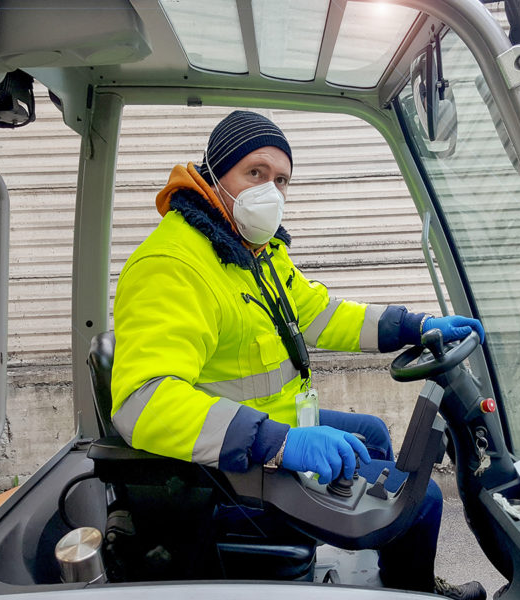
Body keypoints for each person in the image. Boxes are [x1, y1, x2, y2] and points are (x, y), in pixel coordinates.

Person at [111, 110, 487, 598]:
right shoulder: (173, 266)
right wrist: (281, 443)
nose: (270, 190)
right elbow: (143, 402)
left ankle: (386, 570)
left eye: (281, 179)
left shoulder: (251, 250)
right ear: (215, 173)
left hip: (271, 429)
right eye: (255, 173)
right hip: (230, 473)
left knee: (371, 434)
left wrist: (414, 325)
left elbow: (319, 312)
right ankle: (412, 587)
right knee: (423, 500)